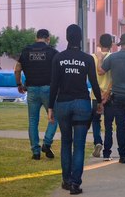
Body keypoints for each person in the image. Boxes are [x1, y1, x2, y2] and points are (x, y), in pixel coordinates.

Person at [48, 24, 102, 195]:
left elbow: (54, 85)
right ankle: (75, 184)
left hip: (62, 104)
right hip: (81, 104)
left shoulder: (58, 58)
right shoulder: (87, 58)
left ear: (66, 37)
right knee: (79, 145)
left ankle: (66, 180)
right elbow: (94, 82)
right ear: (80, 38)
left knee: (66, 142)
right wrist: (100, 102)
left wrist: (50, 107)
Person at [97, 33, 125, 164]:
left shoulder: (113, 57)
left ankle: (123, 155)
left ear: (121, 44)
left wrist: (100, 58)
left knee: (120, 127)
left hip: (117, 97)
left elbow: (100, 71)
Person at [14, 29, 59, 160]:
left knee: (33, 121)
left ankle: (35, 151)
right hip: (48, 89)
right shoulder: (52, 52)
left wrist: (19, 84)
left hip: (31, 89)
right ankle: (47, 143)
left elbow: (17, 70)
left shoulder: (26, 51)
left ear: (36, 38)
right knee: (53, 117)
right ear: (48, 39)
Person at [91, 34, 114, 161]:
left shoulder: (92, 57)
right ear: (111, 44)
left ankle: (97, 142)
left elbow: (91, 77)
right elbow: (114, 77)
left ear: (99, 43)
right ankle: (107, 153)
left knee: (96, 121)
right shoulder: (113, 57)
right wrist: (106, 92)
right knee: (108, 124)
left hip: (95, 95)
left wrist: (99, 91)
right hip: (109, 95)